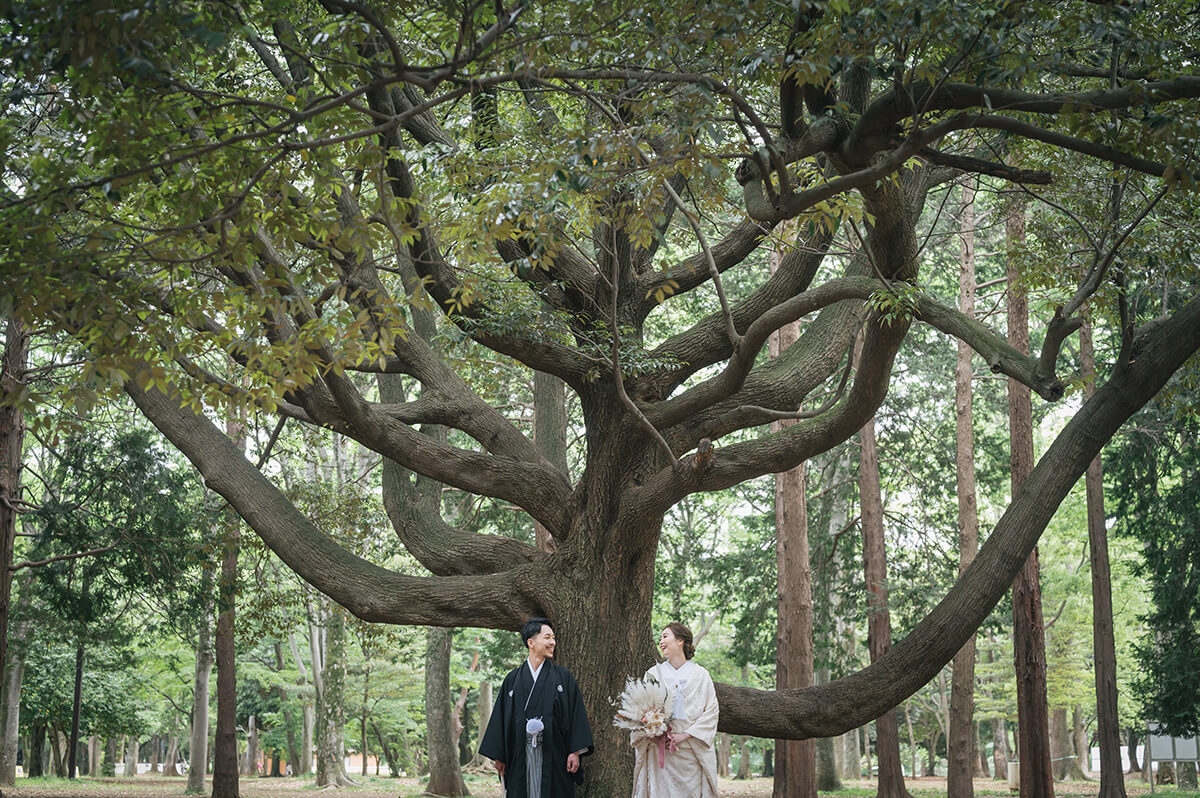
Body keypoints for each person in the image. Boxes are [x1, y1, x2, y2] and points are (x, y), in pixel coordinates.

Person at [479, 617, 594, 797]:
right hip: (519, 752)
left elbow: (575, 715)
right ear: (531, 642)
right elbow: (501, 718)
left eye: (553, 638)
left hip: (555, 753)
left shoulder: (564, 678)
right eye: (547, 637)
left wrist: (575, 751)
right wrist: (499, 756)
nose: (552, 642)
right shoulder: (513, 679)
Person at [630, 622, 719, 797]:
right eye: (660, 638)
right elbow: (639, 711)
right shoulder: (653, 674)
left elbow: (711, 712)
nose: (661, 641)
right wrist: (654, 731)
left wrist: (684, 735)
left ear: (680, 640)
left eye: (665, 636)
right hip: (660, 754)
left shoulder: (701, 675)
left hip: (690, 753)